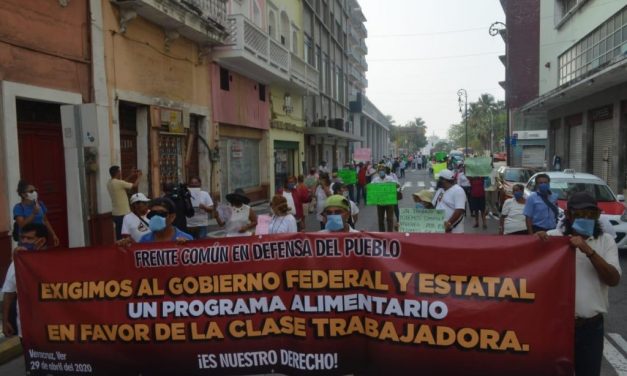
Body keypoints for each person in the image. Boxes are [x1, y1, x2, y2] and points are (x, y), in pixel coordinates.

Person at [537, 192, 621, 375]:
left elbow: (613, 279)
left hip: (590, 328)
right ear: (568, 215)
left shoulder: (605, 241)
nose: (586, 218)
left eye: (591, 215)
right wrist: (536, 244)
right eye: (580, 214)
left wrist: (588, 251)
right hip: (556, 327)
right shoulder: (553, 239)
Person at [2, 223, 48, 338]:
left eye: (29, 238)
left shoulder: (54, 261)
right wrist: (5, 321)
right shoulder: (17, 262)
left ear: (41, 241)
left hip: (52, 327)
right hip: (26, 328)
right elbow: (9, 293)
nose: (24, 241)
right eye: (22, 238)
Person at [13, 180, 59, 246]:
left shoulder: (40, 204)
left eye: (35, 190)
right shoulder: (18, 207)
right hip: (27, 241)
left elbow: (45, 221)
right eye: (31, 191)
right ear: (23, 194)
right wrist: (33, 213)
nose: (34, 193)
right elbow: (21, 224)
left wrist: (53, 235)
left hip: (41, 240)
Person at [107, 165, 142, 240]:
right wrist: (139, 176)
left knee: (119, 233)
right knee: (125, 233)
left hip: (116, 213)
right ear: (117, 173)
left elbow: (123, 182)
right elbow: (135, 185)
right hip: (123, 213)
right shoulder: (119, 183)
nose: (120, 173)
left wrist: (131, 175)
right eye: (119, 172)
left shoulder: (110, 182)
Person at [432, 169, 467, 233]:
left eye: (440, 179)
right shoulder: (440, 190)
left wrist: (449, 223)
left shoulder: (458, 190)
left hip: (454, 230)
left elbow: (459, 210)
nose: (438, 181)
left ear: (444, 180)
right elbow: (433, 205)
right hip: (439, 228)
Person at [371, 166, 397, 232]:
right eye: (380, 170)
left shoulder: (390, 178)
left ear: (384, 171)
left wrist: (392, 185)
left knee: (390, 219)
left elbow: (397, 184)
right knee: (380, 219)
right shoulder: (375, 180)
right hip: (380, 202)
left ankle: (390, 233)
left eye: (382, 170)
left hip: (389, 202)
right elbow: (370, 187)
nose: (381, 171)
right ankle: (382, 233)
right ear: (378, 172)